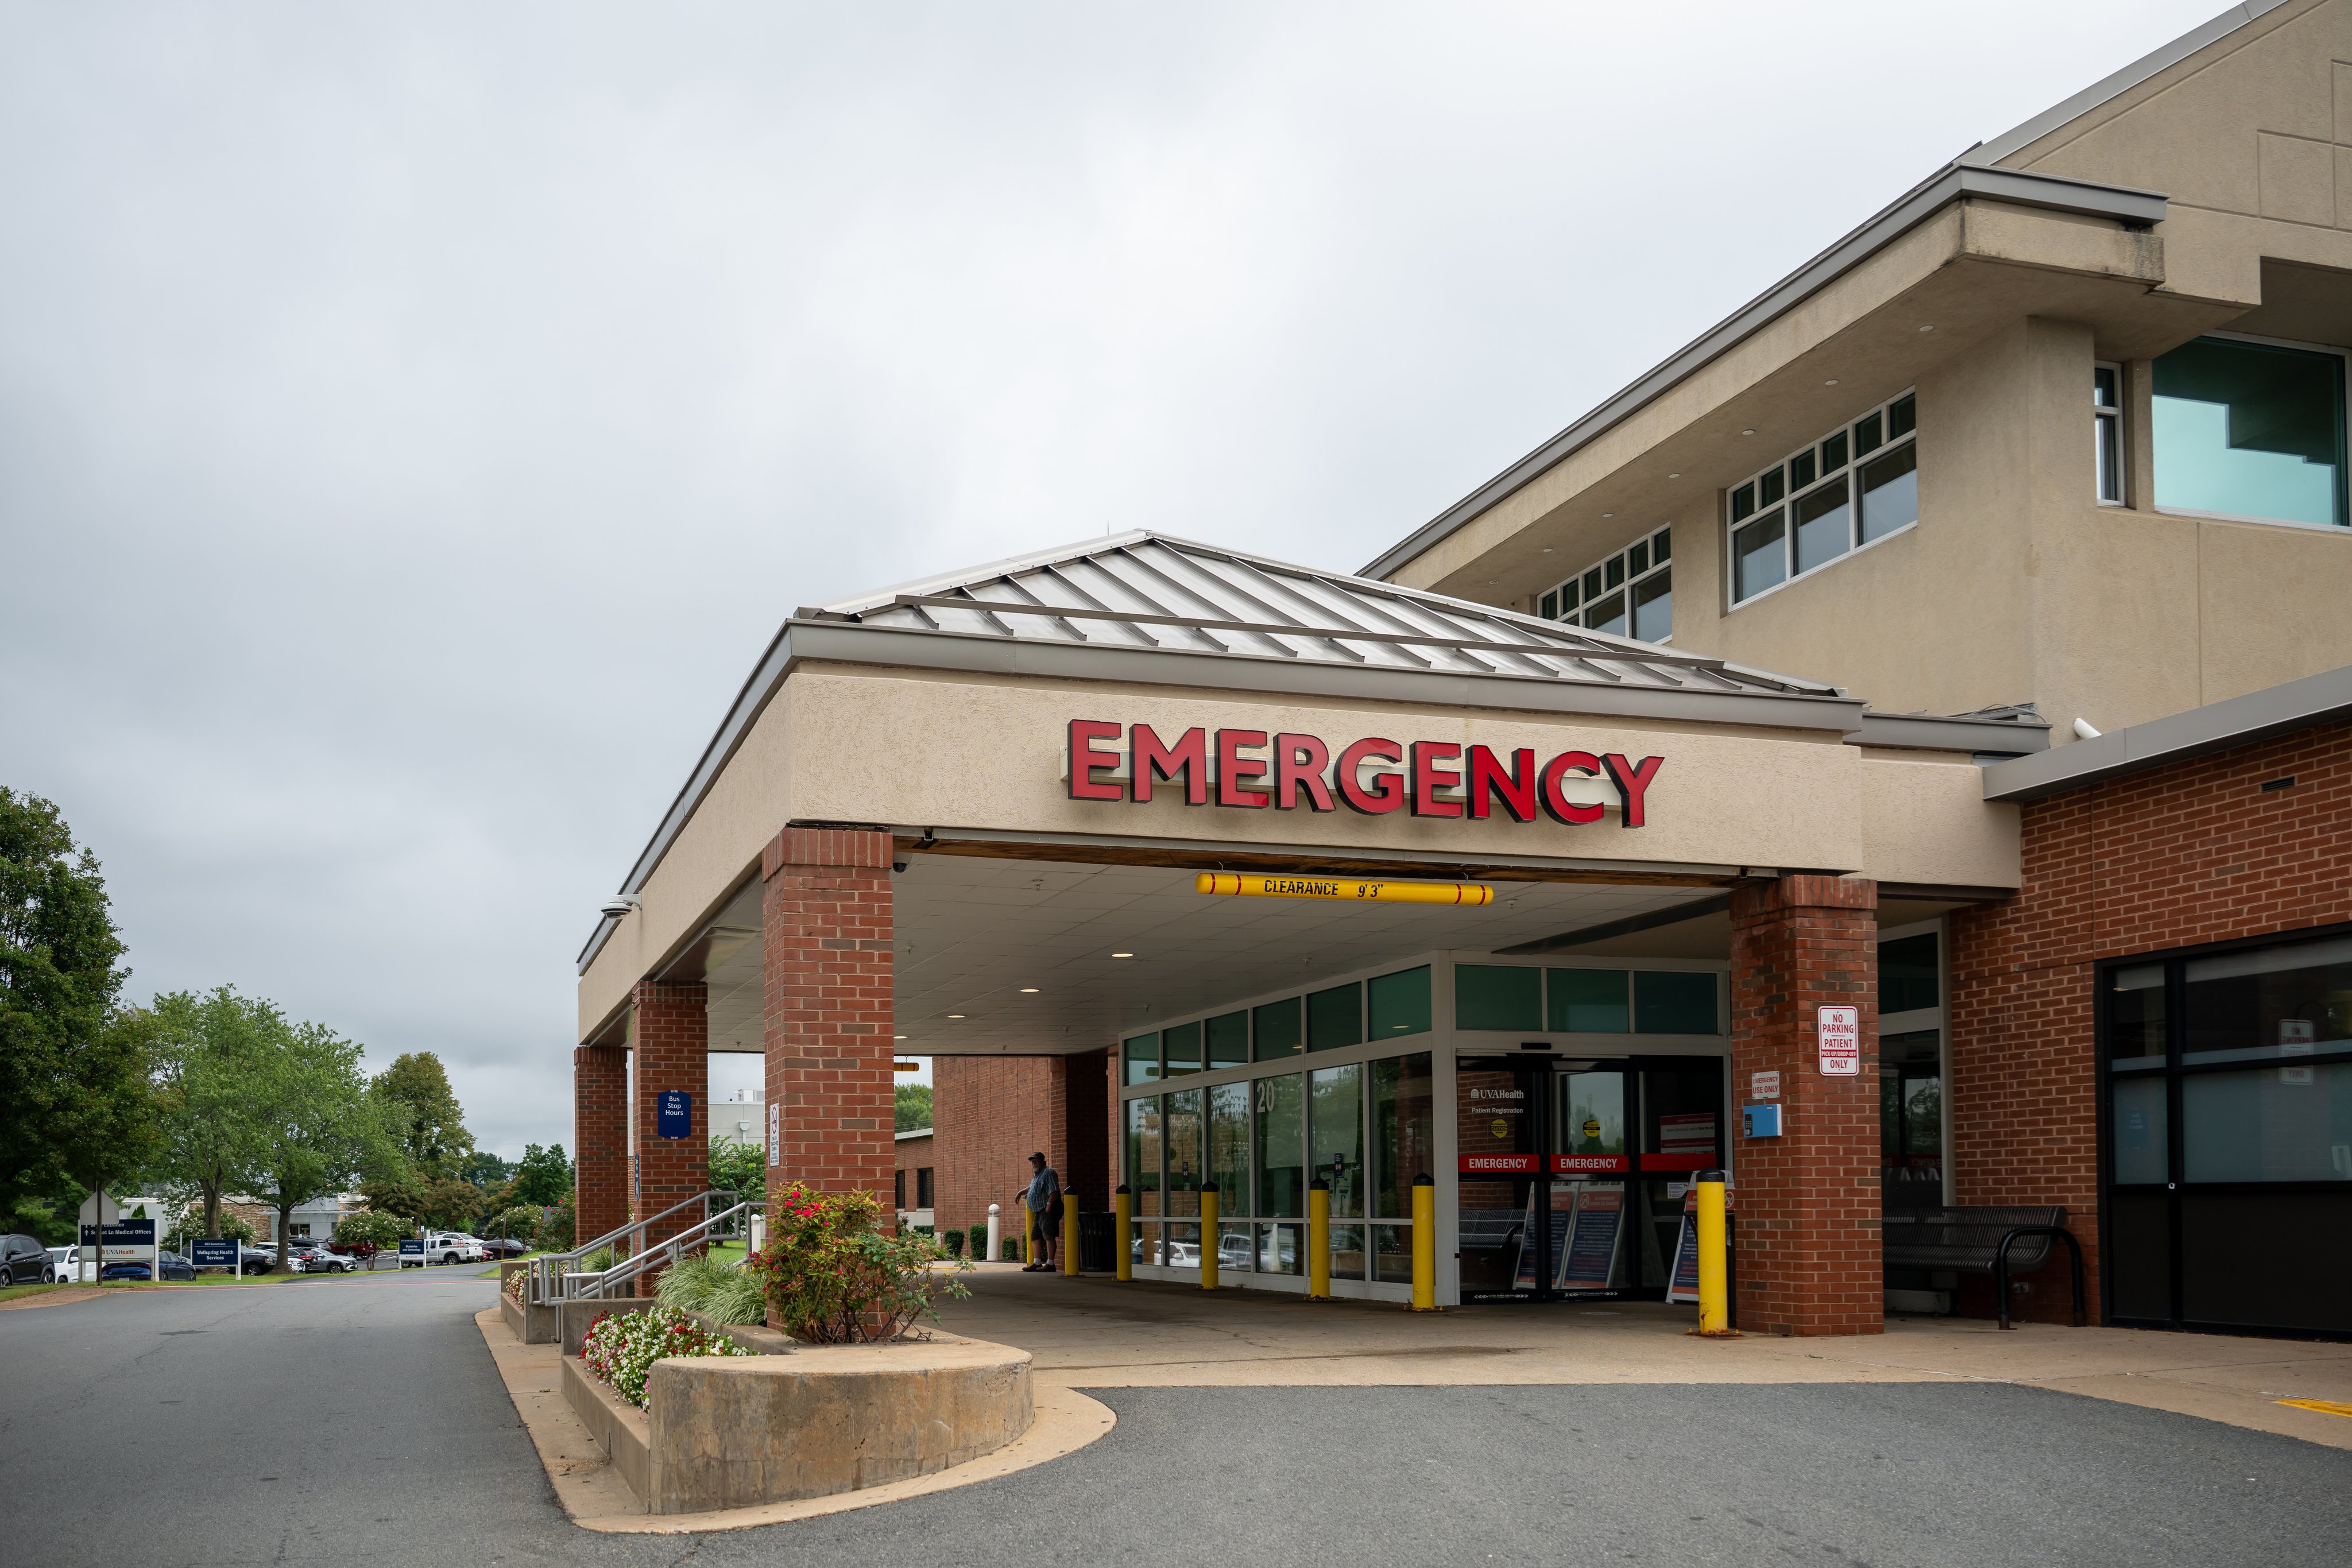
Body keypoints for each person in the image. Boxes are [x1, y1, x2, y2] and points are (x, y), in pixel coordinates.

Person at [1016, 1151, 1062, 1272]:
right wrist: (1021, 1192)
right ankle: (1037, 1263)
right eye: (1032, 1162)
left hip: (1048, 1210)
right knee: (1035, 1236)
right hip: (1038, 1211)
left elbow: (1054, 1191)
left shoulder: (1049, 1173)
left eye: (1036, 1161)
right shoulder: (1037, 1175)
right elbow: (1032, 1188)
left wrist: (1049, 1205)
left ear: (1043, 1162)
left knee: (1049, 1236)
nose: (1034, 1163)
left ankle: (1051, 1264)